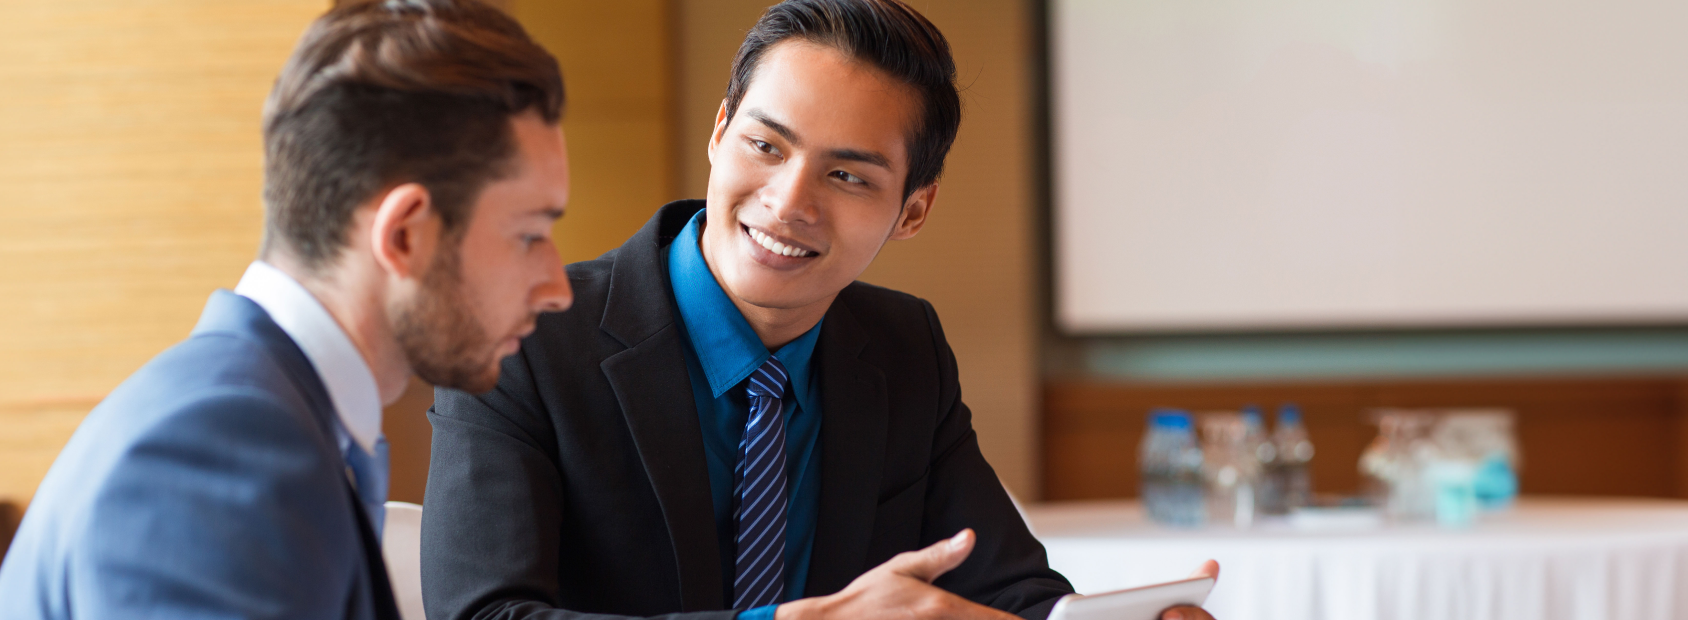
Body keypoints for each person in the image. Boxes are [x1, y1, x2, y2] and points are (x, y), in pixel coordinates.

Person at [421, 1, 1217, 619]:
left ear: (913, 210)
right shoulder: (524, 334)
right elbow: (483, 614)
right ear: (720, 132)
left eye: (847, 177)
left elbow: (1006, 589)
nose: (788, 202)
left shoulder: (904, 347)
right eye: (766, 146)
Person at [0, 1, 573, 618]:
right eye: (530, 235)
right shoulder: (220, 451)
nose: (558, 288)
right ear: (404, 235)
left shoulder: (264, 419)